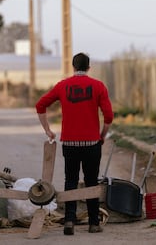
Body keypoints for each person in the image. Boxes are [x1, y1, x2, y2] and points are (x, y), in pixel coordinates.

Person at [35, 52, 113, 235]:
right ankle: (94, 223)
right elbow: (109, 116)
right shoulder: (98, 86)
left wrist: (47, 130)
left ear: (73, 67)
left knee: (70, 180)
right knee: (91, 181)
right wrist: (102, 135)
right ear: (88, 67)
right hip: (92, 144)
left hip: (70, 144)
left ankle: (69, 220)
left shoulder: (63, 86)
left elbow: (40, 105)